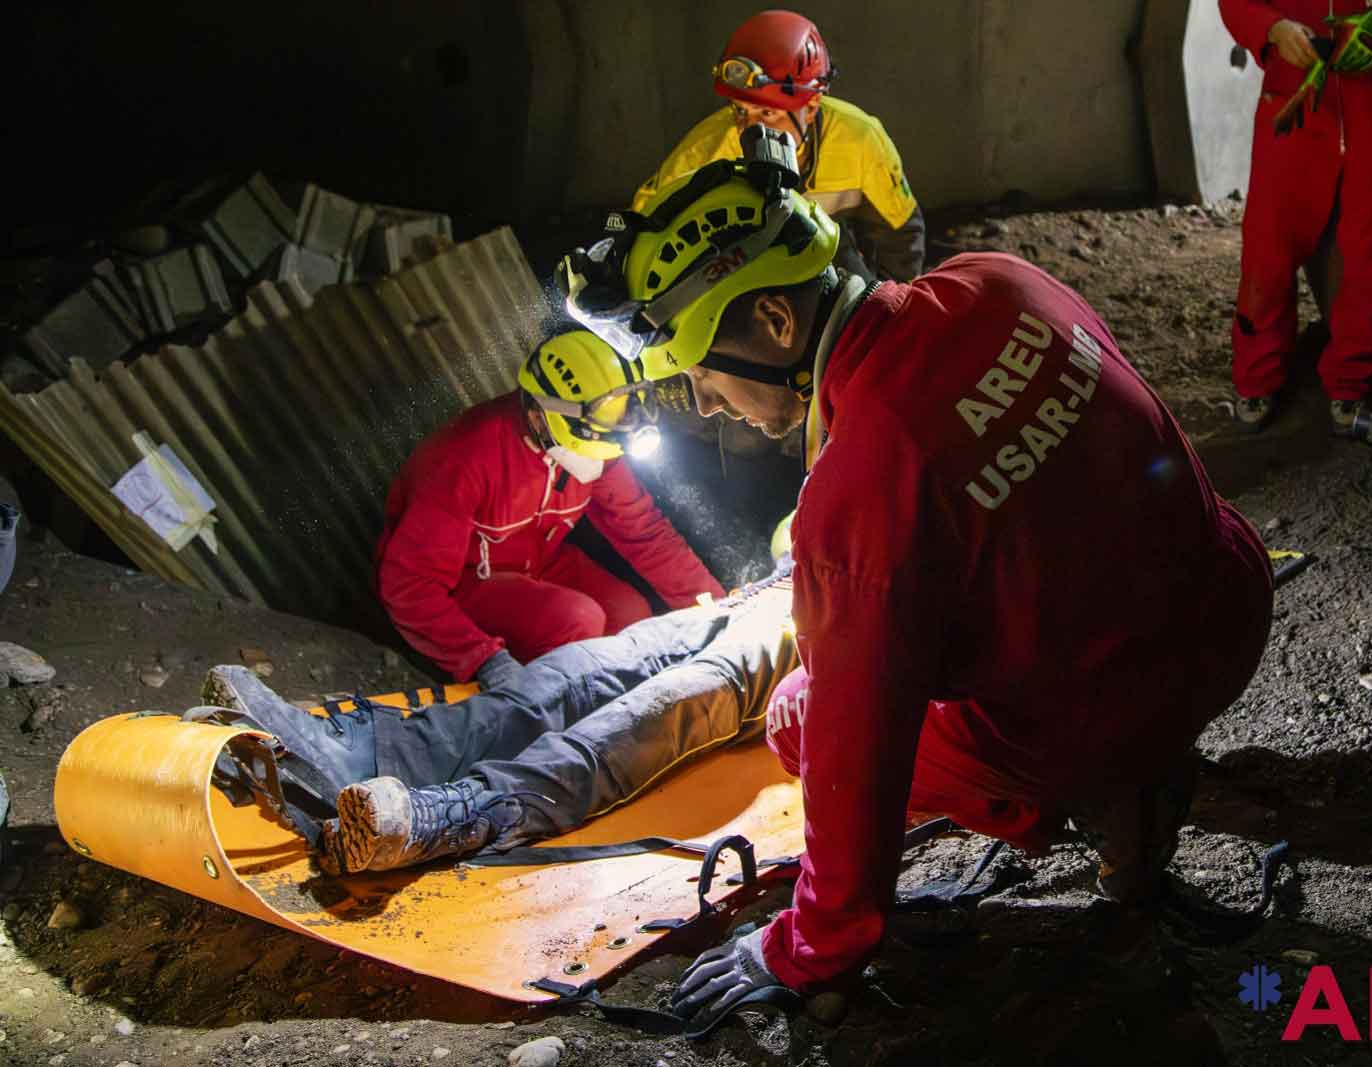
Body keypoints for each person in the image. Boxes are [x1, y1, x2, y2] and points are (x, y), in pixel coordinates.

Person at [558, 127, 1275, 1020]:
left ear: (776, 321)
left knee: (800, 719)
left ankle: (1107, 792)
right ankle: (1143, 785)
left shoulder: (863, 479)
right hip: (1226, 604)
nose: (706, 402)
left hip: (1110, 704)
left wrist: (808, 947)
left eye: (701, 370)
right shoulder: (995, 280)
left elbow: (857, 755)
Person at [200, 542, 798, 877]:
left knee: (679, 698)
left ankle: (474, 810)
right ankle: (370, 755)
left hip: (817, 635)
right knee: (577, 670)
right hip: (766, 594)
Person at [374, 331, 724, 690]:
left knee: (630, 614)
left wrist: (716, 608)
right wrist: (482, 658)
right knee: (576, 620)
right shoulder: (464, 459)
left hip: (540, 561)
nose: (603, 461)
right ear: (540, 418)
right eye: (591, 445)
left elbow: (644, 531)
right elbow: (409, 586)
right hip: (466, 582)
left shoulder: (600, 437)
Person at [1221, 0, 1372, 433]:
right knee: (1267, 252)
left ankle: (1353, 385)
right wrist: (1274, 29)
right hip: (1294, 102)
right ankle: (1257, 378)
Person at [632, 9, 924, 283]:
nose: (750, 128)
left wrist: (892, 310)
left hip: (826, 246)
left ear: (811, 106)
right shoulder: (705, 150)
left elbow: (899, 238)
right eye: (740, 110)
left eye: (767, 113)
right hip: (739, 260)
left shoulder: (860, 139)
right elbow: (642, 229)